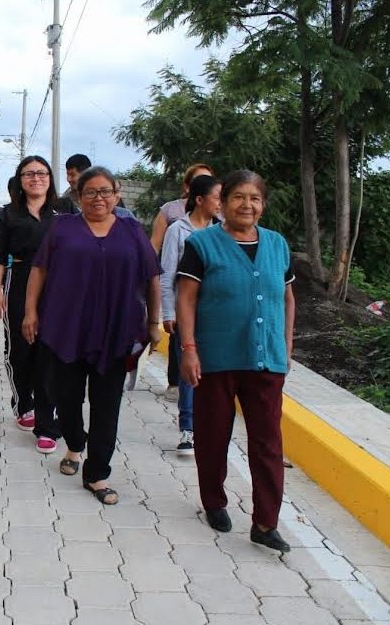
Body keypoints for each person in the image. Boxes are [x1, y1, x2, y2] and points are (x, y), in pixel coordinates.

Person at [23, 166, 161, 506]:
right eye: (90, 192)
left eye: (105, 192)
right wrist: (30, 312)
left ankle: (97, 473)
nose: (98, 198)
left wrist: (155, 323)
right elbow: (38, 270)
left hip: (116, 330)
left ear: (116, 194)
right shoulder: (63, 228)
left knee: (106, 405)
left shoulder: (131, 230)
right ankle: (73, 443)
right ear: (78, 196)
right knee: (66, 399)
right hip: (65, 327)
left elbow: (152, 277)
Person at [176, 170, 295, 552]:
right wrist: (189, 348)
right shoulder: (203, 243)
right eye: (239, 197)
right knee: (213, 435)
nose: (247, 205)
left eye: (255, 198)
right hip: (216, 358)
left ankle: (265, 522)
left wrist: (286, 345)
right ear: (222, 203)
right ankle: (213, 501)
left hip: (266, 359)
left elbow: (288, 300)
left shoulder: (277, 244)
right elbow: (187, 298)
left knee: (268, 441)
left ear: (263, 204)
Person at [0, 156, 60, 453]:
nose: (36, 178)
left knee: (49, 352)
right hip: (19, 279)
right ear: (20, 180)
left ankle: (47, 423)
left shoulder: (64, 211)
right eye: (28, 174)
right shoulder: (9, 214)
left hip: (56, 286)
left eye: (41, 173)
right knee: (21, 349)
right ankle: (23, 403)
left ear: (50, 178)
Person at [159, 174, 222, 455]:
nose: (221, 203)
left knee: (213, 371)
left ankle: (209, 426)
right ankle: (188, 428)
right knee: (188, 368)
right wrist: (168, 312)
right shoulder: (178, 230)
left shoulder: (222, 230)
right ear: (199, 200)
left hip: (215, 313)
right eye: (217, 197)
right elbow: (167, 274)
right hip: (187, 312)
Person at [151, 163, 215, 402]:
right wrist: (166, 311)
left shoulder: (219, 227)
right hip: (182, 303)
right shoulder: (174, 220)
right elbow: (164, 268)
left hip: (210, 308)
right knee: (185, 353)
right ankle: (187, 422)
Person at [58, 154, 137, 219]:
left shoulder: (124, 215)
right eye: (67, 174)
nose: (68, 179)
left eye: (72, 175)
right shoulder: (64, 203)